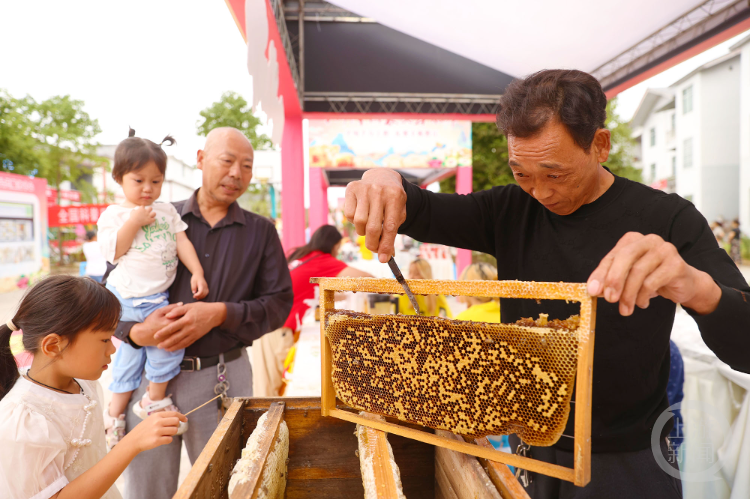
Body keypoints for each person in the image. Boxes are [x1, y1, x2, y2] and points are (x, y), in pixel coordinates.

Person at [344, 69, 750, 498]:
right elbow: (421, 207)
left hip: (626, 456)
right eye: (522, 173)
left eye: (555, 174)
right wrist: (383, 179)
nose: (539, 192)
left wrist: (694, 285)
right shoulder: (508, 210)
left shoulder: (668, 218)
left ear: (600, 145)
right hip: (529, 445)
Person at [113, 127, 293, 499]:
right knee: (146, 489)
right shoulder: (157, 217)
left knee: (227, 486)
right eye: (227, 161)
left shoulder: (261, 232)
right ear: (200, 159)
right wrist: (134, 332)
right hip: (150, 378)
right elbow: (103, 297)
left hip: (222, 376)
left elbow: (279, 303)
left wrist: (219, 313)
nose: (236, 174)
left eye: (246, 166)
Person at [0, 275, 186, 499]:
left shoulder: (85, 384)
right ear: (53, 345)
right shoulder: (23, 419)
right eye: (104, 340)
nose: (112, 350)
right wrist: (131, 444)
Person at [98, 129, 208, 448]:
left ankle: (132, 408)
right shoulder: (114, 215)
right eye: (138, 180)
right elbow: (113, 252)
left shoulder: (167, 211)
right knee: (158, 348)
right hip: (128, 298)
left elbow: (181, 241)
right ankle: (138, 406)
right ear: (119, 178)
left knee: (147, 353)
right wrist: (133, 222)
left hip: (156, 297)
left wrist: (197, 271)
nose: (148, 188)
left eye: (155, 181)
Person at [252, 224, 372, 396]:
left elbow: (309, 292)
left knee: (271, 386)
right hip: (276, 328)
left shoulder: (301, 256)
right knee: (269, 392)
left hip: (267, 324)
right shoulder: (322, 261)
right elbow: (368, 278)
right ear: (334, 245)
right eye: (338, 248)